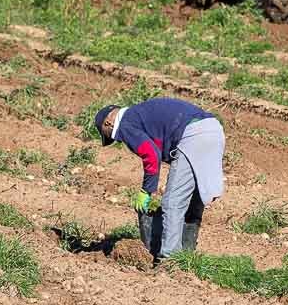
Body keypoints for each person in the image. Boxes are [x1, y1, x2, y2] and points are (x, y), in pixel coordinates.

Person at [94, 97, 225, 258]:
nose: (115, 139)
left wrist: (146, 190)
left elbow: (151, 154)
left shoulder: (125, 124)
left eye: (108, 135)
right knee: (193, 201)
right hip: (214, 129)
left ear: (108, 123)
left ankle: (171, 259)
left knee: (172, 202)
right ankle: (187, 255)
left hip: (194, 136)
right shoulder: (140, 113)